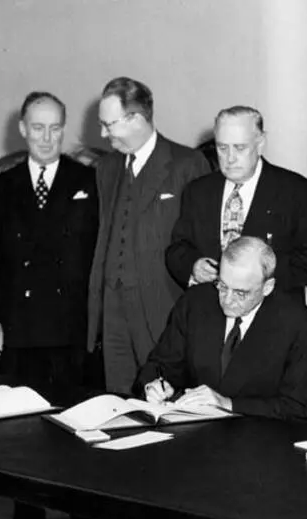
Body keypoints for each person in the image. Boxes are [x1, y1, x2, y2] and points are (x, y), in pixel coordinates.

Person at [135, 236, 307, 519]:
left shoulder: (297, 322)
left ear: (267, 287)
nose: (227, 300)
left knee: (227, 479)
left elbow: (297, 406)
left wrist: (229, 403)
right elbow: (160, 363)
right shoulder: (196, 303)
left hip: (260, 441)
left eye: (241, 293)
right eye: (223, 286)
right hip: (195, 434)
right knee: (149, 469)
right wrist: (155, 384)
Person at [0, 91, 99, 519]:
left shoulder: (88, 179)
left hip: (72, 323)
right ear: (22, 129)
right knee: (23, 424)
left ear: (62, 130)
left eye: (54, 128)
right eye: (38, 127)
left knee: (77, 418)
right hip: (21, 323)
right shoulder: (3, 186)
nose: (46, 137)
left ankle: (83, 516)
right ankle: (26, 512)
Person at [87, 77, 210, 395]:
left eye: (108, 124)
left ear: (137, 119)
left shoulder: (186, 164)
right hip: (113, 310)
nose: (103, 134)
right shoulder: (107, 168)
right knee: (118, 402)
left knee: (164, 404)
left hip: (163, 308)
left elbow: (201, 241)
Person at [165, 105, 307, 304]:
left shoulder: (297, 191)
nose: (230, 158)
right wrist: (193, 266)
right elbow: (178, 248)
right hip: (210, 311)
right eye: (222, 148)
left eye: (240, 147)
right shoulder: (198, 191)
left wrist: (258, 277)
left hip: (273, 313)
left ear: (260, 144)